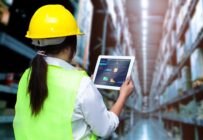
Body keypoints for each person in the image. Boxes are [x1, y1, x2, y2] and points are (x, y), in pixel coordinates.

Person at [13, 4, 134, 140]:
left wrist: (88, 88)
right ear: (71, 45)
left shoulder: (27, 76)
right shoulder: (81, 85)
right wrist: (123, 96)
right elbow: (104, 128)